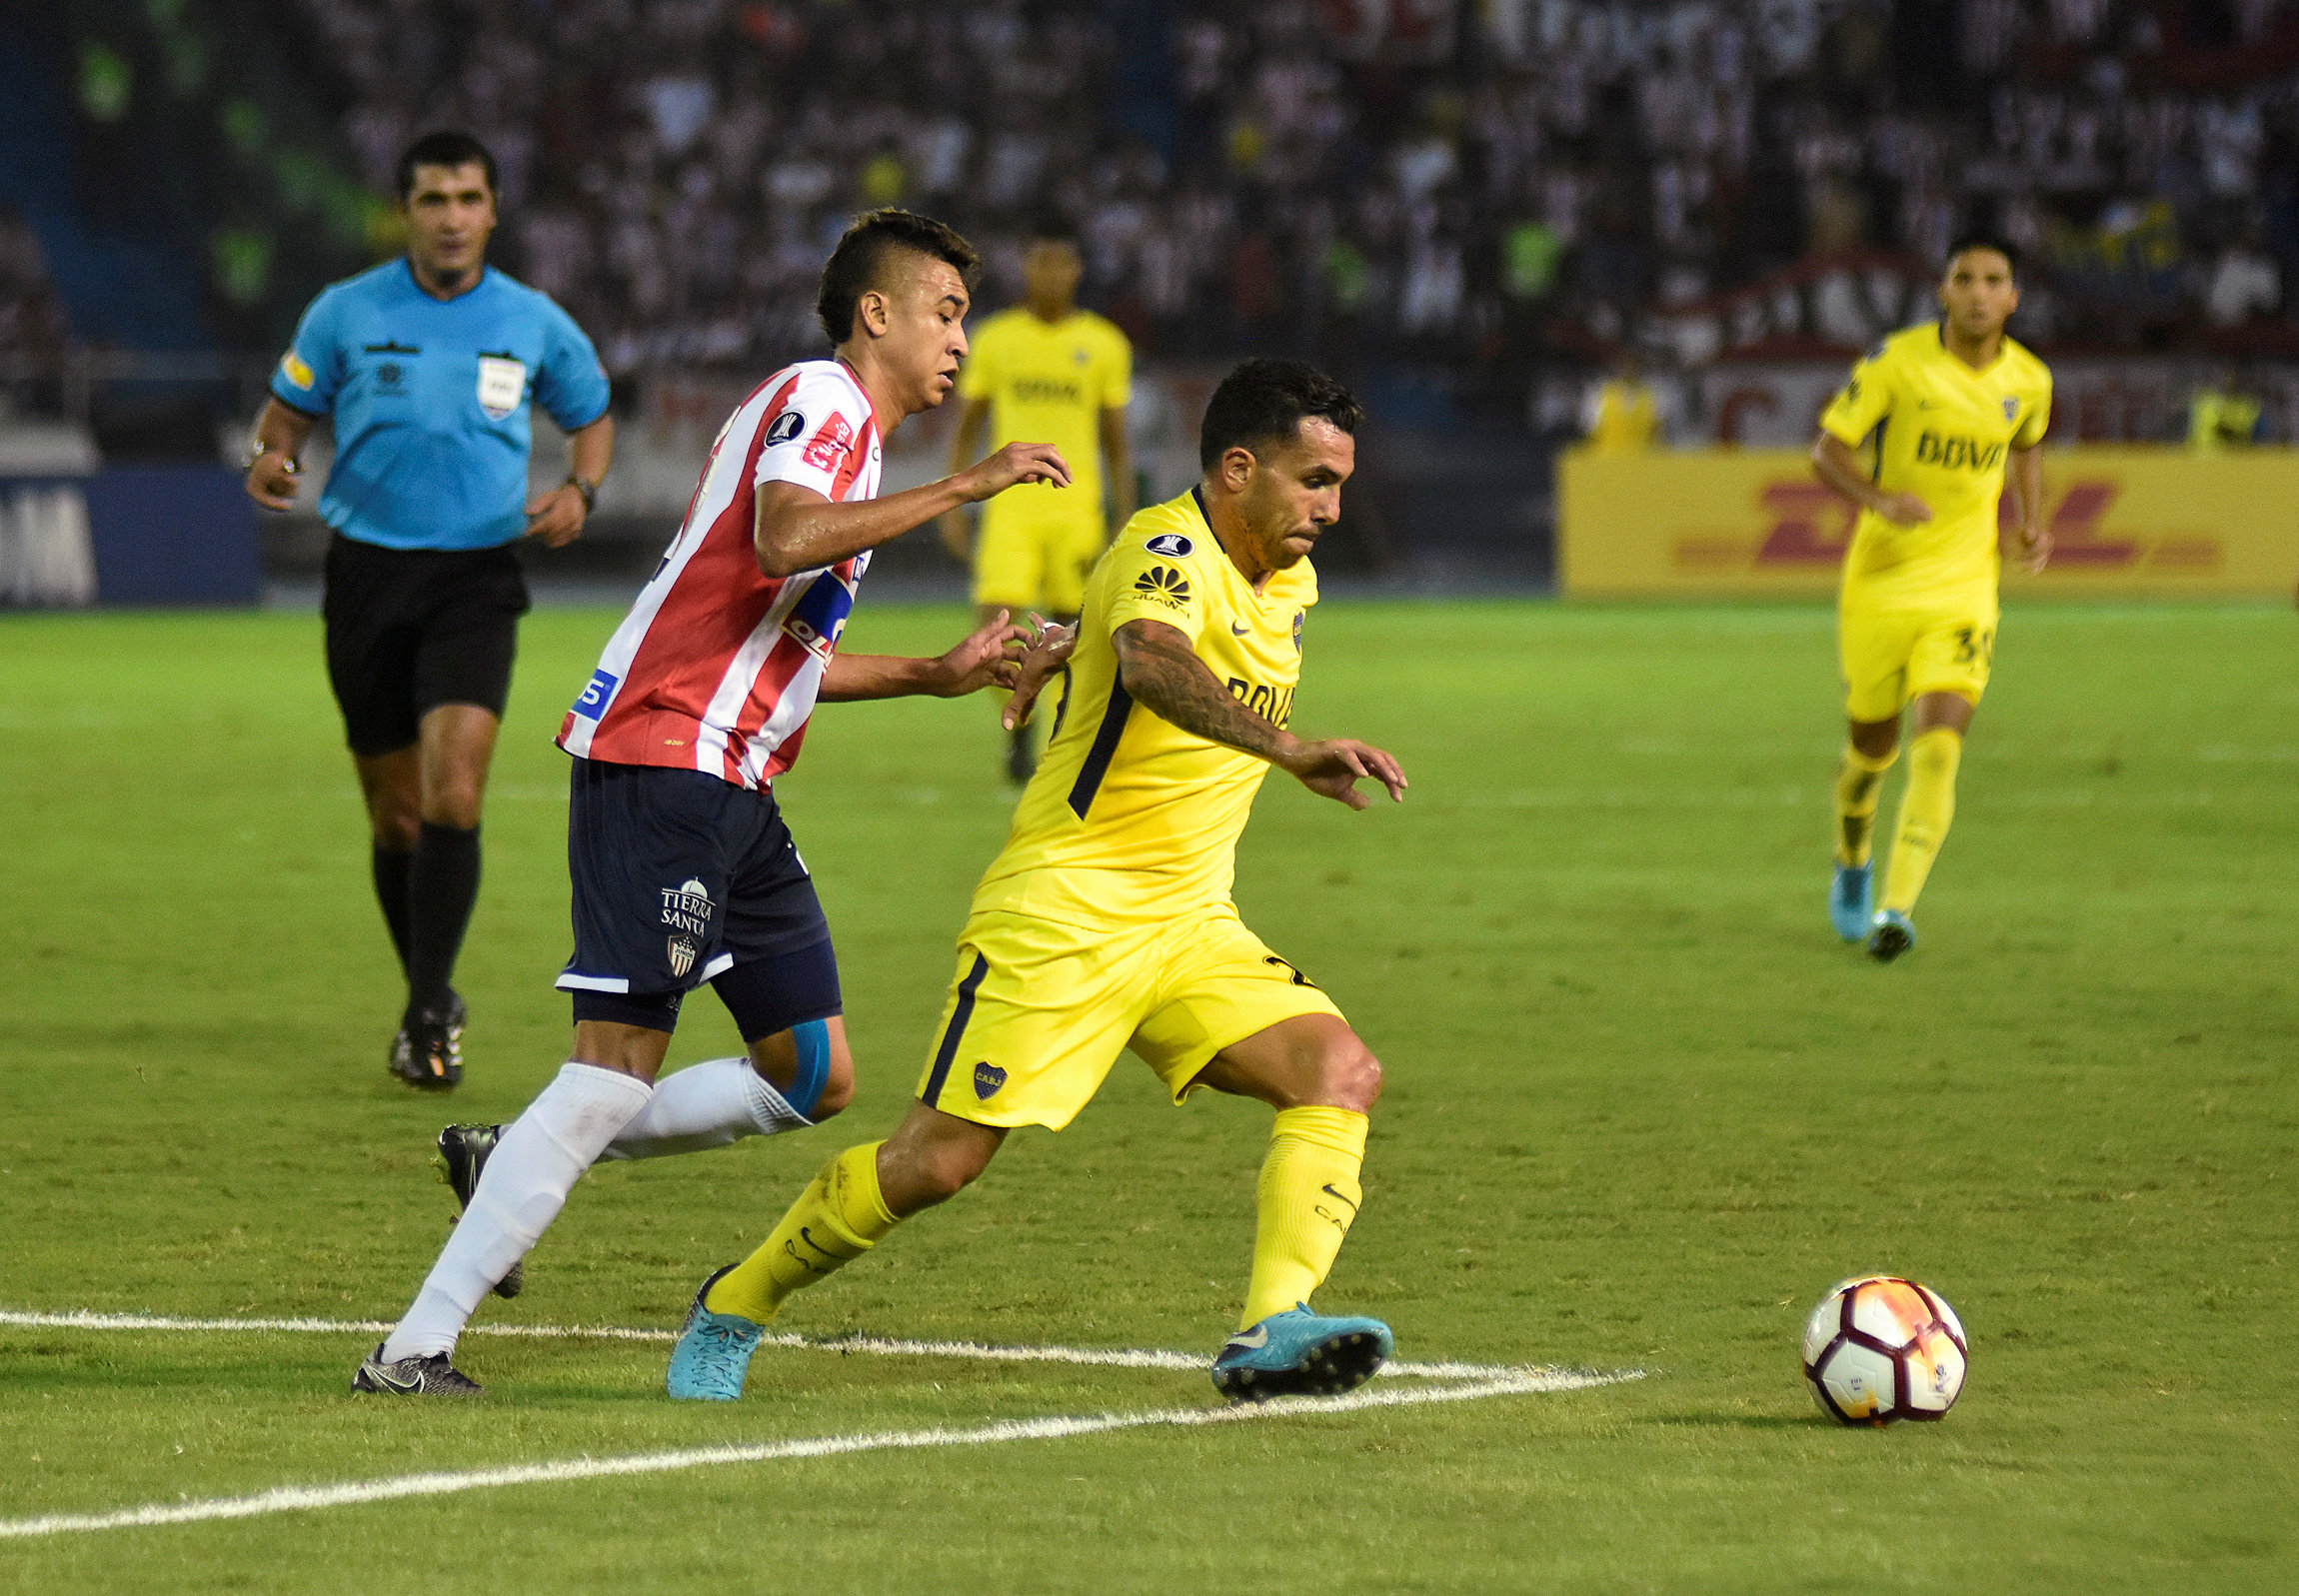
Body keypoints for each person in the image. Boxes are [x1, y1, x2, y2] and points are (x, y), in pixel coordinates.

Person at [352, 208, 1075, 1396]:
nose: (960, 339)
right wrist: (965, 486)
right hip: (665, 756)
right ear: (876, 313)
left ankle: (510, 1154)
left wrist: (936, 673)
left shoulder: (851, 439)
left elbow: (779, 653)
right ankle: (412, 1348)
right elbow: (783, 536)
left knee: (809, 1070)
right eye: (945, 313)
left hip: (731, 772)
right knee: (611, 1069)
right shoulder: (825, 402)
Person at [665, 359, 1411, 1406]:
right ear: (1239, 469)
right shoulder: (1164, 548)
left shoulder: (1289, 579)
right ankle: (734, 1302)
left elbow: (1120, 642)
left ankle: (1270, 1326)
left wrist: (1070, 640)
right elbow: (1150, 657)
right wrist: (1286, 747)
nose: (1330, 508)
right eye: (1313, 481)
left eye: (1337, 484)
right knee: (935, 1163)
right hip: (1064, 909)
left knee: (1338, 1071)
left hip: (1191, 920)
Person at [244, 130, 615, 1088]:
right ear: (404, 212)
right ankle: (430, 991)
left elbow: (591, 414)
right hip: (366, 577)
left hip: (476, 579)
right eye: (433, 201)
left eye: (468, 199)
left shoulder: (532, 319)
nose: (452, 218)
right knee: (397, 817)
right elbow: (286, 415)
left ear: (493, 211)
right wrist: (271, 456)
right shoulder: (345, 311)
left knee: (455, 792)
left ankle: (422, 1013)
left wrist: (581, 490)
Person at [1812, 235, 2053, 961]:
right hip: (1881, 582)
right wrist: (1878, 498)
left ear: (2012, 298)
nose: (1979, 292)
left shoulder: (2031, 380)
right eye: (1964, 278)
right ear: (1944, 292)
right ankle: (1852, 858)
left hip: (1964, 586)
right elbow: (1828, 449)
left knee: (1941, 747)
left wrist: (2031, 521)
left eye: (1993, 280)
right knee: (1870, 752)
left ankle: (1897, 908)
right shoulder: (1897, 362)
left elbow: (2026, 444)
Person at [939, 217, 1135, 782]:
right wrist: (954, 505)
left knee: (1078, 635)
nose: (1051, 273)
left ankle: (1064, 734)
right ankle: (1019, 727)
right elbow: (966, 428)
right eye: (1041, 261)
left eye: (1061, 262)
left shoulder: (1104, 344)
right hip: (1011, 510)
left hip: (1076, 509)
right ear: (1026, 267)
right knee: (995, 628)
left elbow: (1115, 444)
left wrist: (1123, 516)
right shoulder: (997, 340)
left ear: (1077, 270)